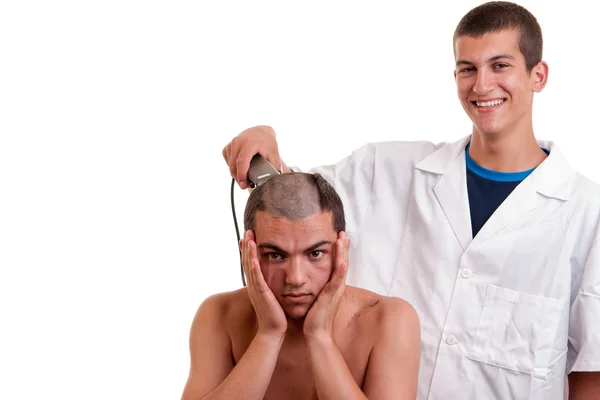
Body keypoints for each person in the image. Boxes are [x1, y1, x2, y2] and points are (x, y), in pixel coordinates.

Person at [221, 2, 600, 399]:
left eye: (500, 65)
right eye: (467, 69)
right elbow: (295, 207)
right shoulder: (383, 170)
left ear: (537, 75)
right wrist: (263, 141)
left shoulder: (586, 214)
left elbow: (592, 370)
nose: (482, 85)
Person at [181, 172, 421, 399]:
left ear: (341, 250)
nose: (295, 278)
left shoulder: (390, 319)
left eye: (315, 253)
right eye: (275, 255)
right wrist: (268, 335)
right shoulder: (218, 315)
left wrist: (319, 336)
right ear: (247, 253)